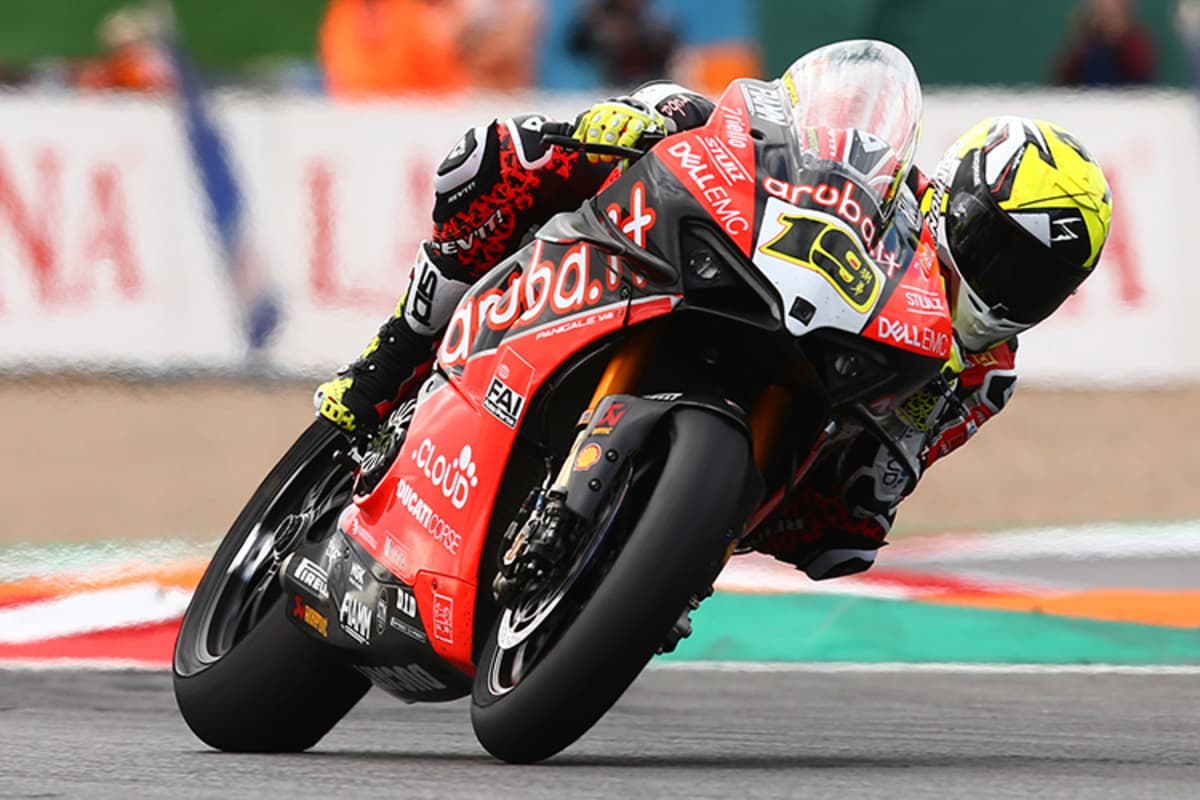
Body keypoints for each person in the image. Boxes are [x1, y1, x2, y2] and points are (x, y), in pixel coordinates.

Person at [314, 67, 1112, 581]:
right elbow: (773, 125)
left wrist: (879, 480)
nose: (1008, 288)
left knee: (842, 538)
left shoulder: (985, 374)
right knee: (510, 159)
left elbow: (877, 493)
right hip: (730, 274)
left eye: (1037, 284)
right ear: (956, 198)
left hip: (800, 419)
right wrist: (664, 122)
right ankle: (395, 355)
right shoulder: (888, 182)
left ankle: (667, 565)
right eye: (1001, 252)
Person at [1054, 0, 1155, 86]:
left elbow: (1143, 73)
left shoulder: (1134, 39)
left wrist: (1121, 40)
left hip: (1124, 100)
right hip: (1089, 100)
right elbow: (1064, 78)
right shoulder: (1087, 39)